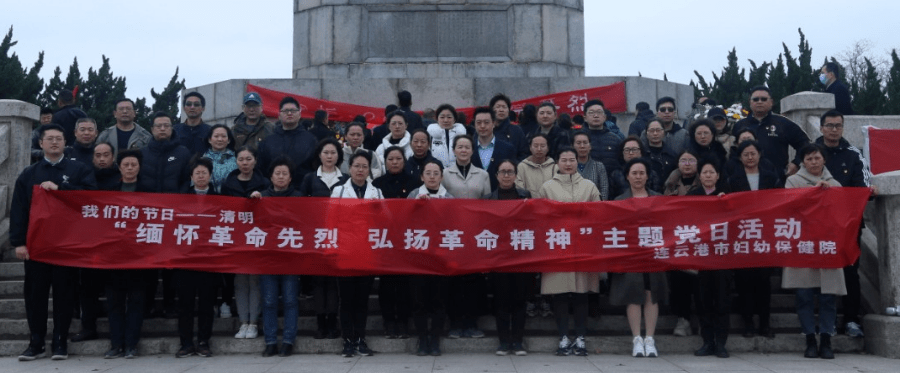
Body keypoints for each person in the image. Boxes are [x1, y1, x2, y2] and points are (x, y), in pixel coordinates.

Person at [12, 124, 97, 361]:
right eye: (49, 139)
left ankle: (60, 341)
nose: (54, 142)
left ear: (65, 142)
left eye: (58, 138)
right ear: (40, 143)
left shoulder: (78, 169)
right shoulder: (29, 173)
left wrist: (63, 189)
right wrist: (19, 242)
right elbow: (18, 209)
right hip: (37, 246)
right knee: (35, 295)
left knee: (65, 294)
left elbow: (90, 199)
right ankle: (36, 342)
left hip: (66, 246)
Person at [815, 110, 876, 338]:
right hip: (817, 225)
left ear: (843, 128)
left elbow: (863, 187)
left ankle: (851, 320)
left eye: (837, 126)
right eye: (829, 125)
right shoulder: (811, 152)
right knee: (818, 273)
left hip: (848, 226)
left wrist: (869, 193)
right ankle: (821, 322)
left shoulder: (854, 155)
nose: (833, 130)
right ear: (821, 128)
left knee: (850, 271)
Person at [784, 144, 846, 360]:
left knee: (828, 296)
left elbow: (842, 213)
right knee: (804, 295)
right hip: (803, 245)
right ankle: (810, 338)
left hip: (827, 245)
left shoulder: (835, 184)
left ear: (824, 160)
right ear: (802, 161)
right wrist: (813, 194)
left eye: (816, 158)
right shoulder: (793, 181)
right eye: (808, 158)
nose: (813, 162)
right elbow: (791, 208)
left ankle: (827, 339)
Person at [539, 147, 602, 357]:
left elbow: (599, 214)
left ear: (578, 162)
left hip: (583, 246)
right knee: (560, 294)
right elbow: (540, 217)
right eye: (564, 159)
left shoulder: (589, 186)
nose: (568, 163)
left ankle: (581, 337)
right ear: (557, 162)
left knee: (582, 294)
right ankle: (564, 337)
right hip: (557, 246)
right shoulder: (547, 187)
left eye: (572, 160)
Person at [611, 158, 666, 358]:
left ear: (647, 176)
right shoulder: (619, 201)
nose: (638, 177)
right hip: (630, 255)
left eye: (642, 173)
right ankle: (637, 339)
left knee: (652, 294)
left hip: (653, 254)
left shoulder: (659, 199)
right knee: (633, 295)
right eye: (634, 173)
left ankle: (650, 339)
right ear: (627, 176)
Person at [727, 140, 781, 338]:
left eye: (753, 153)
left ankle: (765, 324)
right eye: (746, 154)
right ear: (740, 157)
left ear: (759, 155)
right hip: (742, 237)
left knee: (764, 284)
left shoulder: (771, 177)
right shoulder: (733, 180)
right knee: (744, 283)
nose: (750, 157)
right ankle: (748, 323)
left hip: (764, 237)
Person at [332, 152, 384, 357]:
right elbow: (331, 220)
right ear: (349, 168)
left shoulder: (377, 192)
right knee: (346, 299)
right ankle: (347, 340)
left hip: (366, 253)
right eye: (356, 166)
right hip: (344, 252)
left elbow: (384, 220)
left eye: (364, 166)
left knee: (362, 299)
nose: (360, 170)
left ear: (369, 170)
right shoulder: (338, 191)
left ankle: (361, 338)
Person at [139, 112, 191, 319]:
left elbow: (188, 180)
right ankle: (148, 304)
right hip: (148, 218)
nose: (162, 129)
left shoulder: (183, 153)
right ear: (151, 129)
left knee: (171, 264)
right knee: (148, 265)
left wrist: (179, 201)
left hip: (173, 218)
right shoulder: (142, 153)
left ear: (172, 129)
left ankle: (170, 303)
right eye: (158, 126)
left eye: (166, 126)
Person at [103, 149, 151, 359]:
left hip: (140, 257)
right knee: (114, 303)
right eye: (126, 165)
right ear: (119, 167)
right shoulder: (109, 190)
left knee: (136, 302)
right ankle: (116, 344)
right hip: (114, 257)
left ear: (139, 167)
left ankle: (131, 344)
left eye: (133, 164)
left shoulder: (150, 191)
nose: (130, 168)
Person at [252, 157, 302, 357]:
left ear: (290, 178)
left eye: (285, 174)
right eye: (277, 173)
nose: (281, 177)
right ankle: (270, 341)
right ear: (271, 177)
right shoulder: (261, 197)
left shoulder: (299, 198)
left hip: (291, 257)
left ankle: (289, 340)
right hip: (268, 258)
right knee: (269, 300)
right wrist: (253, 200)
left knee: (290, 300)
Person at [441, 135, 490, 339]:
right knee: (453, 281)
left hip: (475, 234)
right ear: (453, 150)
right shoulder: (445, 173)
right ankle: (455, 323)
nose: (463, 150)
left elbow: (487, 203)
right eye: (459, 147)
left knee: (474, 281)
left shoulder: (483, 174)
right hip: (452, 234)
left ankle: (471, 323)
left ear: (472, 151)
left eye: (467, 147)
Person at [298, 138, 347, 339]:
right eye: (326, 153)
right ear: (319, 155)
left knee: (334, 281)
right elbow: (300, 207)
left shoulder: (345, 179)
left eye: (333, 153)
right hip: (316, 236)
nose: (329, 156)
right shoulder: (310, 179)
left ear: (338, 156)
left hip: (339, 235)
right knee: (319, 281)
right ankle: (320, 322)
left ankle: (332, 321)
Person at [483, 159, 532, 356]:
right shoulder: (488, 199)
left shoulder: (525, 196)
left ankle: (518, 342)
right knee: (501, 301)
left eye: (510, 172)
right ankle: (504, 342)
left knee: (520, 301)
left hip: (521, 256)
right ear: (496, 176)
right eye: (502, 172)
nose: (506, 176)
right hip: (498, 257)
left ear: (516, 175)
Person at [220, 146, 268, 340]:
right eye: (241, 159)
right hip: (236, 239)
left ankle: (254, 322)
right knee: (240, 282)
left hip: (257, 238)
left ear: (255, 160)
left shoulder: (264, 183)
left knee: (254, 282)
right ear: (236, 161)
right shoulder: (228, 183)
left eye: (248, 159)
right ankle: (243, 322)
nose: (245, 163)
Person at [173, 157, 219, 358]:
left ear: (210, 175)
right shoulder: (181, 198)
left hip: (210, 259)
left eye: (204, 173)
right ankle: (185, 342)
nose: (201, 176)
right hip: (186, 259)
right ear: (191, 177)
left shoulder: (221, 199)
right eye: (197, 173)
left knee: (207, 302)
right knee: (185, 303)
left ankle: (203, 341)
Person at [686, 158, 732, 358]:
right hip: (700, 257)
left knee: (722, 301)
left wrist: (726, 204)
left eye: (711, 172)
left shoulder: (727, 196)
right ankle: (707, 341)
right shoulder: (693, 195)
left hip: (721, 256)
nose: (708, 176)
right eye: (704, 172)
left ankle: (721, 343)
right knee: (703, 301)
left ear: (718, 176)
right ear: (700, 175)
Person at [373, 147, 419, 340]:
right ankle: (389, 321)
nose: (394, 162)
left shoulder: (414, 183)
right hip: (385, 240)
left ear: (404, 160)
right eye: (390, 159)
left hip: (408, 239)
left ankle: (403, 321)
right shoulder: (377, 183)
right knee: (387, 285)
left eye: (398, 158)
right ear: (385, 161)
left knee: (405, 284)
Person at [408, 160, 453, 356]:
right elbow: (403, 221)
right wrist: (417, 207)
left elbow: (454, 225)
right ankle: (422, 339)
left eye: (436, 173)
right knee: (419, 301)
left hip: (440, 257)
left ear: (442, 177)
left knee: (439, 300)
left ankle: (435, 339)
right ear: (422, 176)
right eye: (428, 173)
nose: (432, 176)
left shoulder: (449, 198)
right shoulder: (413, 195)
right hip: (419, 257)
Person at [732, 86, 810, 179]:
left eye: (764, 99)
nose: (759, 102)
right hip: (745, 180)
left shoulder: (783, 123)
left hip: (777, 180)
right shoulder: (740, 125)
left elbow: (804, 143)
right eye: (755, 99)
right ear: (750, 102)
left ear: (771, 102)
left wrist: (796, 163)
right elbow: (733, 151)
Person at [256, 96, 318, 188]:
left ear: (299, 114)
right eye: (285, 111)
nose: (289, 113)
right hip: (273, 193)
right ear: (279, 115)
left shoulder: (311, 140)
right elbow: (261, 169)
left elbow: (316, 168)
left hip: (302, 193)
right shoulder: (268, 141)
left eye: (293, 111)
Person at [471, 107, 517, 191]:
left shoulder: (507, 148)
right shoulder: (468, 148)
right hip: (474, 197)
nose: (482, 126)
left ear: (493, 123)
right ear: (474, 124)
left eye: (486, 122)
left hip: (499, 197)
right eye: (479, 122)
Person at [583, 99, 624, 176]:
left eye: (599, 112)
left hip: (611, 184)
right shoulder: (579, 139)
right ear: (585, 118)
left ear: (604, 117)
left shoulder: (615, 139)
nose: (596, 116)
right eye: (591, 113)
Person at [427, 104, 467, 168]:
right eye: (442, 117)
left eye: (449, 117)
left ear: (454, 119)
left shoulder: (462, 135)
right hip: (436, 172)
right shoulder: (431, 135)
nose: (445, 120)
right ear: (437, 119)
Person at [572, 131, 610, 200]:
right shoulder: (569, 166)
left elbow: (604, 190)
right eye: (578, 143)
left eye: (585, 143)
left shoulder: (598, 166)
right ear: (573, 146)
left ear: (590, 146)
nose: (582, 146)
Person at [489, 94, 528, 160]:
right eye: (498, 107)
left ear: (508, 111)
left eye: (504, 107)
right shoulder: (486, 130)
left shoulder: (516, 130)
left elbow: (524, 153)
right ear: (492, 109)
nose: (501, 110)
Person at [202, 124, 237, 193]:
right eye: (216, 136)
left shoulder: (237, 160)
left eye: (223, 136)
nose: (220, 139)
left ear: (229, 140)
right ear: (209, 140)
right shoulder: (202, 161)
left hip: (232, 198)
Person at [642, 119, 678, 187]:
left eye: (658, 130)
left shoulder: (672, 155)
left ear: (664, 132)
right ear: (646, 133)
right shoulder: (641, 155)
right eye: (652, 130)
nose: (655, 133)